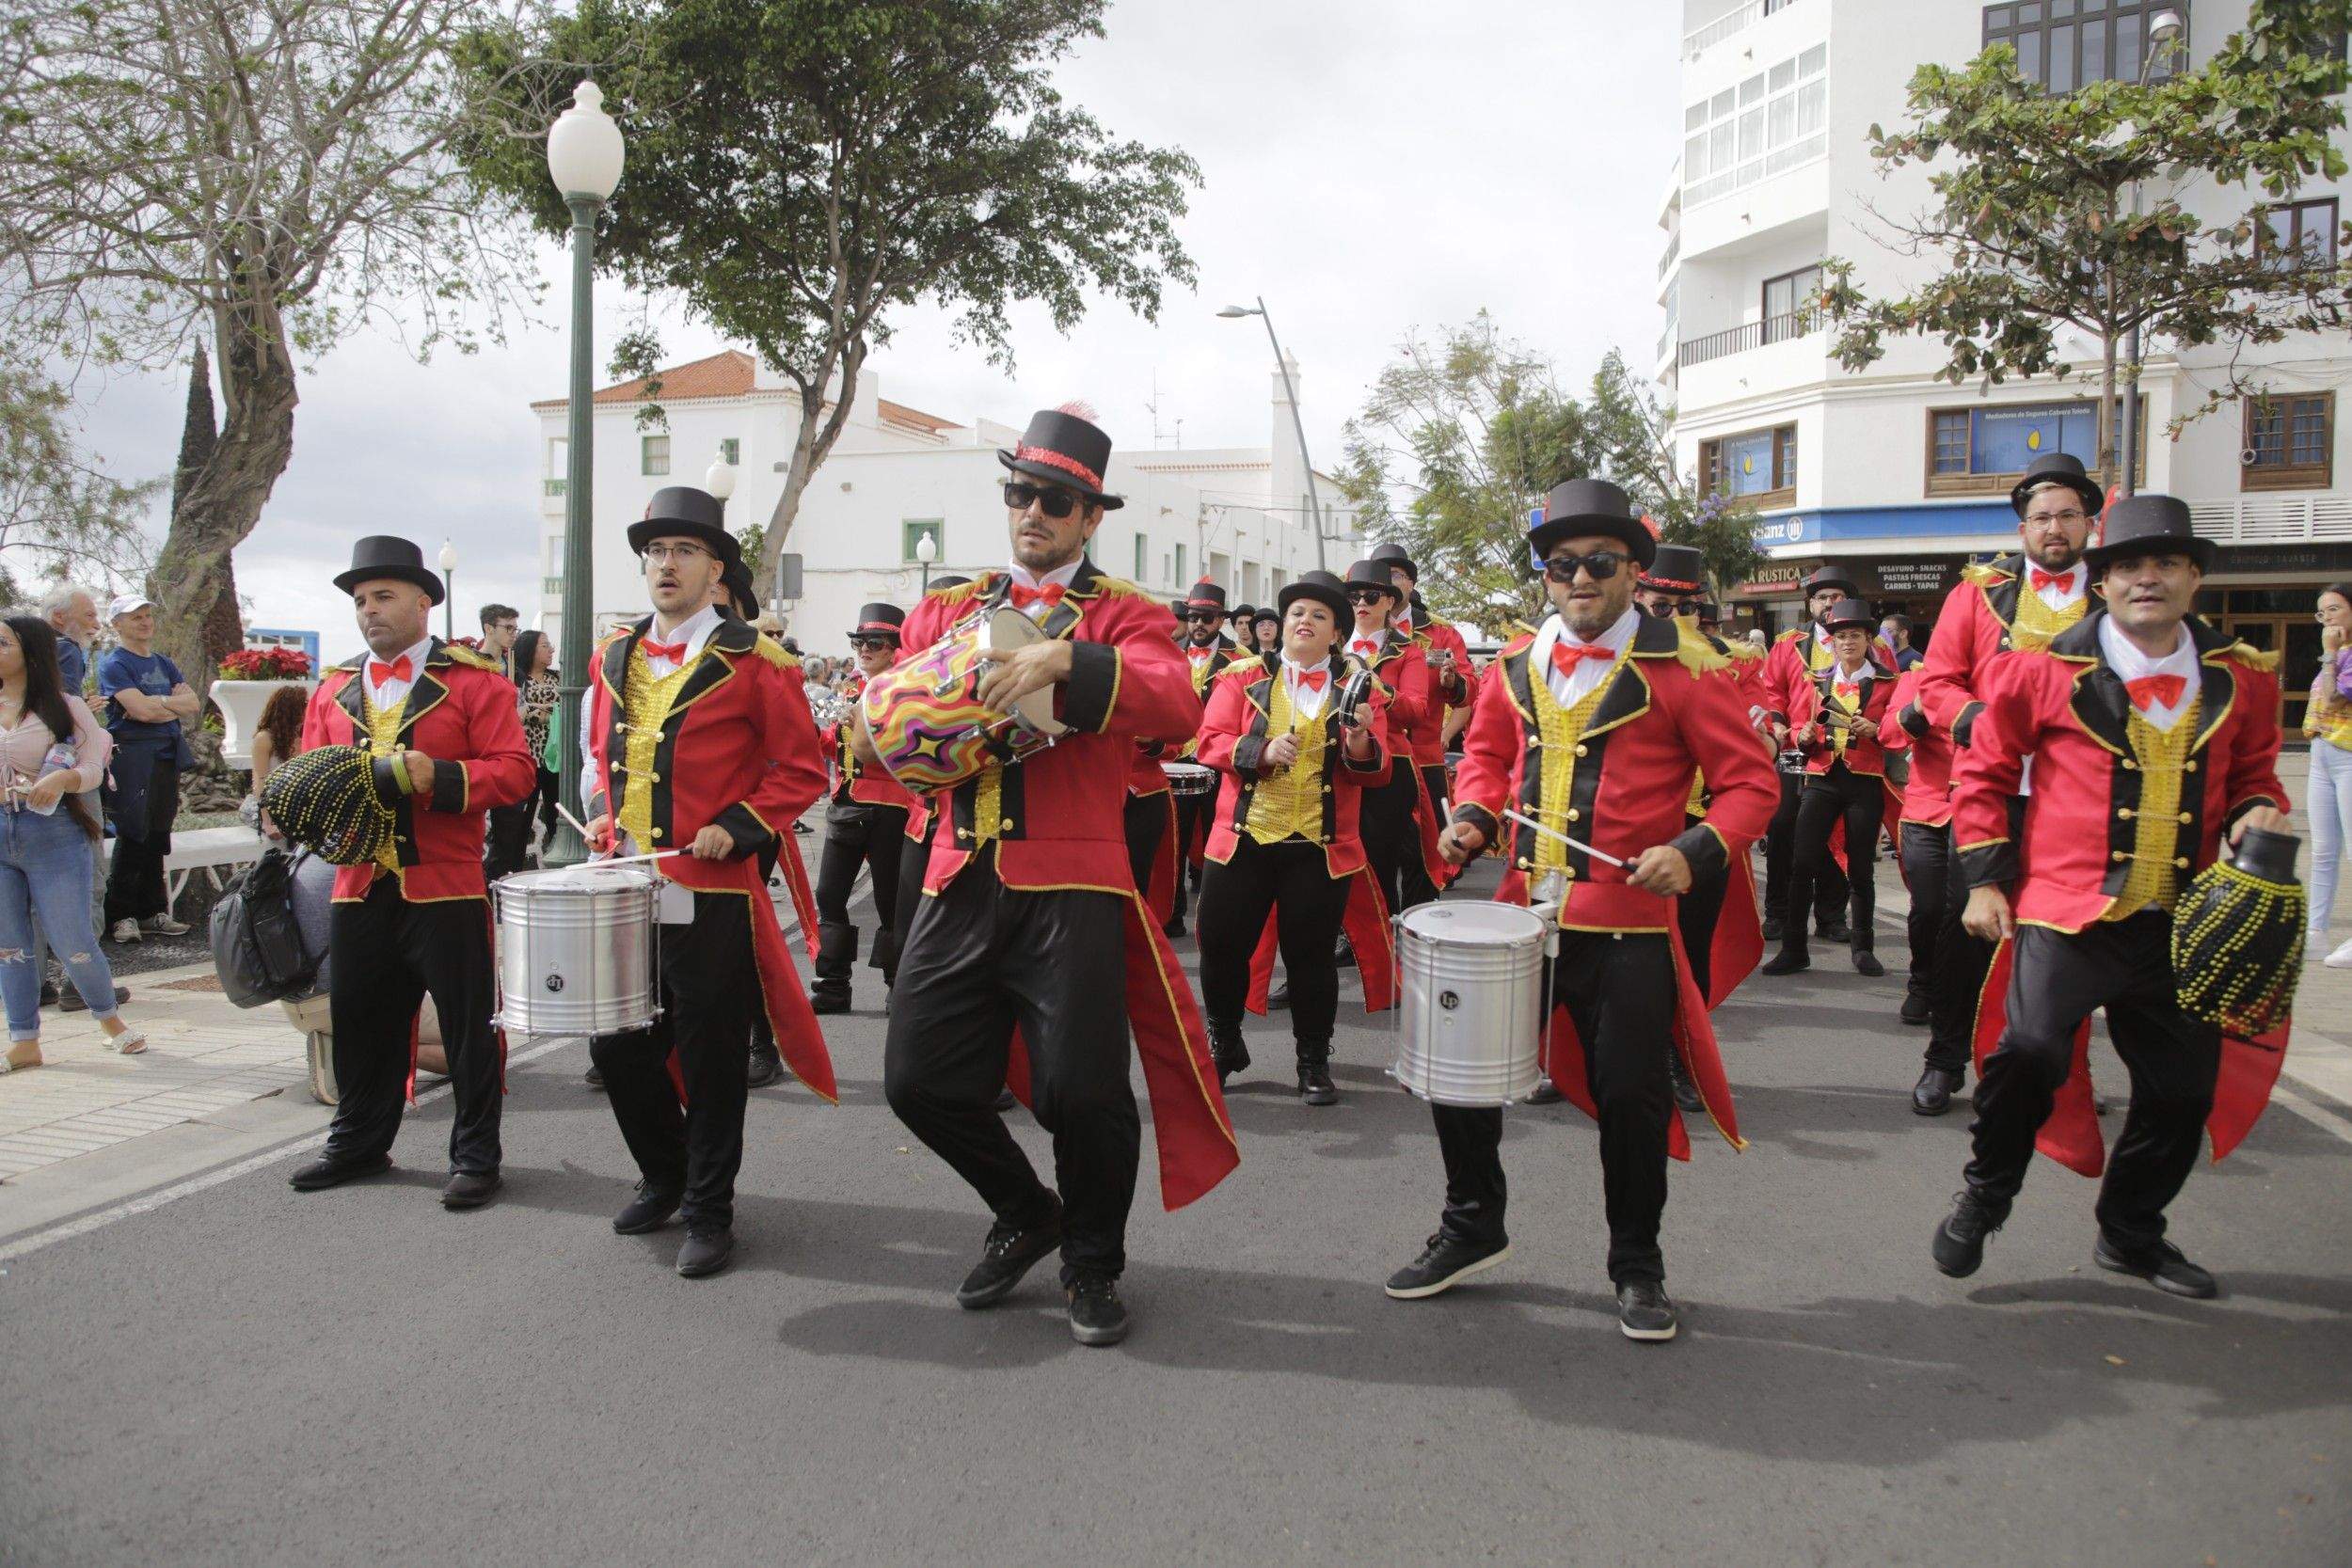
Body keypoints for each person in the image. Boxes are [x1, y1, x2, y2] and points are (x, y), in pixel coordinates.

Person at [877, 404, 1235, 1348]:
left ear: (1089, 517)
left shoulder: (1128, 613)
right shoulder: (945, 608)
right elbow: (898, 727)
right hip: (956, 871)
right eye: (1021, 492)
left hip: (1073, 881)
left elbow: (1175, 702)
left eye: (1055, 499)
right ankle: (1025, 1205)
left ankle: (1092, 1258)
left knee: (1085, 1090)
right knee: (916, 1078)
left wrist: (1067, 656)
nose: (1032, 510)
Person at [1390, 479, 1777, 1343]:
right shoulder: (1519, 662)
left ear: (1633, 571)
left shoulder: (1686, 667)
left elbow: (1753, 784)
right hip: (1521, 913)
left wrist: (1693, 850)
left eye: (1598, 563)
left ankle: (1637, 1263)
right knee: (1458, 1071)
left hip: (1628, 922)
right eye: (1562, 565)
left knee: (1633, 1098)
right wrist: (1472, 815)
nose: (1579, 579)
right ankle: (1471, 1221)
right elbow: (1486, 752)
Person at [1932, 495, 2289, 1299]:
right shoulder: (2042, 669)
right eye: (2129, 566)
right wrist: (1986, 878)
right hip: (2067, 911)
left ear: (2194, 577)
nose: (2147, 579)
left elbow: (2256, 774)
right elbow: (1985, 771)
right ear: (2104, 581)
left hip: (2185, 923)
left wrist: (2256, 810)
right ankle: (1986, 1195)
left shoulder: (2242, 678)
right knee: (2027, 1053)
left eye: (2165, 564)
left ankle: (2130, 1232)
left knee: (2181, 1092)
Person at [581, 487, 834, 1277]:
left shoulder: (760, 661)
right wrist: (601, 814)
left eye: (683, 551)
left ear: (715, 571)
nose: (666, 563)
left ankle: (711, 1208)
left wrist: (743, 822)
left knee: (712, 1051)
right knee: (615, 1042)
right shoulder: (614, 653)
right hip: (626, 885)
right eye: (656, 551)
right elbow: (600, 755)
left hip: (713, 889)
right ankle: (667, 1172)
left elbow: (803, 770)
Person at [286, 536, 535, 1209]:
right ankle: (358, 1142)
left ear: (424, 601)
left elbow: (516, 772)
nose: (370, 610)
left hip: (446, 884)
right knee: (362, 1023)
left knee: (467, 1028)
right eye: (361, 600)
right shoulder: (332, 690)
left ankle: (477, 1154)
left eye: (384, 596)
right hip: (357, 885)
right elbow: (311, 778)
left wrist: (442, 776)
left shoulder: (476, 681)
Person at [1905, 451, 2101, 1113]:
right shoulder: (1978, 593)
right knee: (1967, 930)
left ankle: (2063, 1072)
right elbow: (1935, 682)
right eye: (2041, 516)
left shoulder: (2112, 594)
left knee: (2072, 937)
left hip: (2079, 799)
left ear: (2088, 524)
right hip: (1990, 790)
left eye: (2067, 515)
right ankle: (1945, 1059)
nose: (2054, 527)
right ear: (2022, 529)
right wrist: (1981, 721)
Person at [1194, 569, 1393, 1104]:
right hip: (1242, 839)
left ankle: (1312, 1060)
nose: (1305, 621)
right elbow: (1208, 741)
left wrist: (1358, 742)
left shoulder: (1361, 687)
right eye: (1297, 613)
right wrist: (1255, 751)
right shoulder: (1240, 677)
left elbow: (1378, 771)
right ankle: (1226, 1042)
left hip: (1318, 846)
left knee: (1309, 958)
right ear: (1281, 625)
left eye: (1319, 615)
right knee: (1221, 948)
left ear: (1337, 634)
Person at [1, 615, 142, 1070]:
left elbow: (94, 770)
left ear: (30, 652)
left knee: (73, 938)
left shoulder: (65, 707)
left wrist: (64, 777)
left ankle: (110, 1022)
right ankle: (24, 1040)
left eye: (3, 643)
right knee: (10, 945)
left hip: (54, 833)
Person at [1763, 598, 1898, 978]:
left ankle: (1864, 946)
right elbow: (1802, 732)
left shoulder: (1889, 682)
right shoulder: (1817, 681)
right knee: (1801, 862)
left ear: (1869, 639)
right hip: (1822, 778)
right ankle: (1793, 947)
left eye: (1855, 635)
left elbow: (1899, 733)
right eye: (1841, 637)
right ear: (1832, 643)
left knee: (1860, 868)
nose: (1848, 642)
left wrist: (1879, 731)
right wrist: (1801, 735)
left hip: (1863, 782)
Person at [811, 602, 913, 1015]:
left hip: (891, 808)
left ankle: (897, 986)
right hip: (847, 804)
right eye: (859, 641)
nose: (864, 649)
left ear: (894, 648)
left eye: (875, 642)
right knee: (829, 894)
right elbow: (833, 749)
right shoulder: (850, 689)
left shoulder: (907, 689)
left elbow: (901, 752)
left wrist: (861, 728)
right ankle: (834, 985)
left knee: (890, 901)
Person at [1756, 568, 1858, 944]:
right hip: (1795, 752)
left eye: (1836, 597)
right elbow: (1771, 692)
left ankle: (1831, 916)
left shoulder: (1864, 644)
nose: (1829, 604)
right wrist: (1779, 724)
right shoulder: (1788, 644)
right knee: (1783, 825)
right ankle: (1779, 912)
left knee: (1836, 831)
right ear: (1810, 604)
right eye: (1822, 597)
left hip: (1841, 753)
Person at [1885, 661, 1969, 1112]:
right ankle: (1922, 984)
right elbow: (1890, 732)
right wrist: (1924, 703)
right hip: (1926, 808)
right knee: (1929, 909)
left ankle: (2062, 1074)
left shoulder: (2017, 670)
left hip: (1989, 809)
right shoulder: (1919, 676)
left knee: (1967, 925)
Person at [1371, 544, 1472, 906]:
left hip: (1426, 757)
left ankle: (1417, 924)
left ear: (1411, 583)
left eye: (1396, 574)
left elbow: (1469, 688)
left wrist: (1451, 683)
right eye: (1382, 576)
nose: (1389, 582)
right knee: (1373, 849)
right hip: (1374, 758)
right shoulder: (1357, 631)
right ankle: (1372, 929)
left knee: (1424, 851)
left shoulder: (1442, 634)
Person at [95, 594, 199, 944]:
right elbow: (139, 712)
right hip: (133, 757)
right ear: (118, 624)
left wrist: (158, 703)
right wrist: (165, 705)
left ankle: (152, 910)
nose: (144, 622)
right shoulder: (115, 664)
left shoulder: (164, 662)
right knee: (133, 830)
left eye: (146, 615)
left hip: (166, 755)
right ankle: (121, 914)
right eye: (134, 617)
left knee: (158, 831)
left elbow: (193, 704)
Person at [1342, 559, 1434, 922]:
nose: (1361, 603)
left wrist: (1376, 687)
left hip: (1390, 764)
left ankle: (1379, 933)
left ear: (1388, 602)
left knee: (1379, 857)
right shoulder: (1330, 644)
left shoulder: (1408, 650)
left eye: (1371, 596)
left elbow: (1416, 710)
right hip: (1336, 762)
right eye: (1353, 596)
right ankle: (1342, 931)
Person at [1166, 579, 1251, 938]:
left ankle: (1224, 917)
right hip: (1177, 760)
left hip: (1220, 761)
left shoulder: (1242, 660)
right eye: (1193, 616)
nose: (1198, 623)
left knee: (1224, 841)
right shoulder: (1170, 651)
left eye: (1206, 617)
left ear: (1220, 621)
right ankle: (1171, 914)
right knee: (1174, 842)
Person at [2304, 582, 2352, 967]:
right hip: (2321, 751)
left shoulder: (2336, 656)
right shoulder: (2335, 656)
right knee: (2323, 850)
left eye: (2334, 609)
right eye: (2322, 612)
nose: (2327, 618)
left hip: (2350, 755)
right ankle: (2316, 932)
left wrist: (2330, 654)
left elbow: (2336, 698)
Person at [510, 629, 562, 855]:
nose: (551, 649)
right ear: (530, 649)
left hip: (554, 756)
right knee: (521, 816)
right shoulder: (516, 678)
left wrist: (537, 711)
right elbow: (516, 712)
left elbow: (566, 708)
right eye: (545, 645)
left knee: (556, 814)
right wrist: (549, 712)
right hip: (527, 757)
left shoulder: (558, 678)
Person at [246, 684, 308, 814]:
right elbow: (260, 781)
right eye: (305, 703)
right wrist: (267, 822)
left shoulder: (306, 737)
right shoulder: (264, 738)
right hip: (270, 805)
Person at [477, 605, 519, 676]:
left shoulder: (516, 673)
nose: (514, 635)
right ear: (489, 629)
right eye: (509, 628)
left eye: (515, 629)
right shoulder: (471, 666)